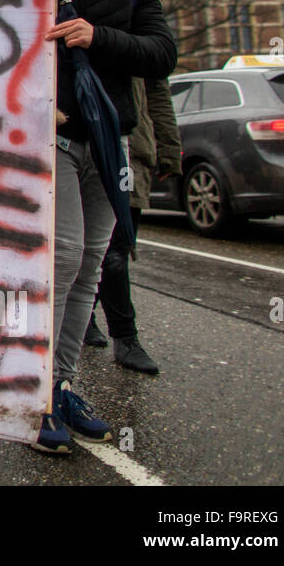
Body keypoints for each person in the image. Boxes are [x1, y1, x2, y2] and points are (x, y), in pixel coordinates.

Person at [35, 0, 177, 454]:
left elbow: (162, 55)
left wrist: (99, 37)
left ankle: (64, 382)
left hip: (110, 144)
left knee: (92, 264)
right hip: (58, 142)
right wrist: (35, 109)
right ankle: (37, 390)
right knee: (65, 257)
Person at [84, 74, 181, 374]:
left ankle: (121, 335)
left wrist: (168, 149)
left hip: (133, 151)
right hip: (81, 145)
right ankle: (97, 321)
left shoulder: (140, 35)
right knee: (87, 251)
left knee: (117, 251)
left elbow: (158, 95)